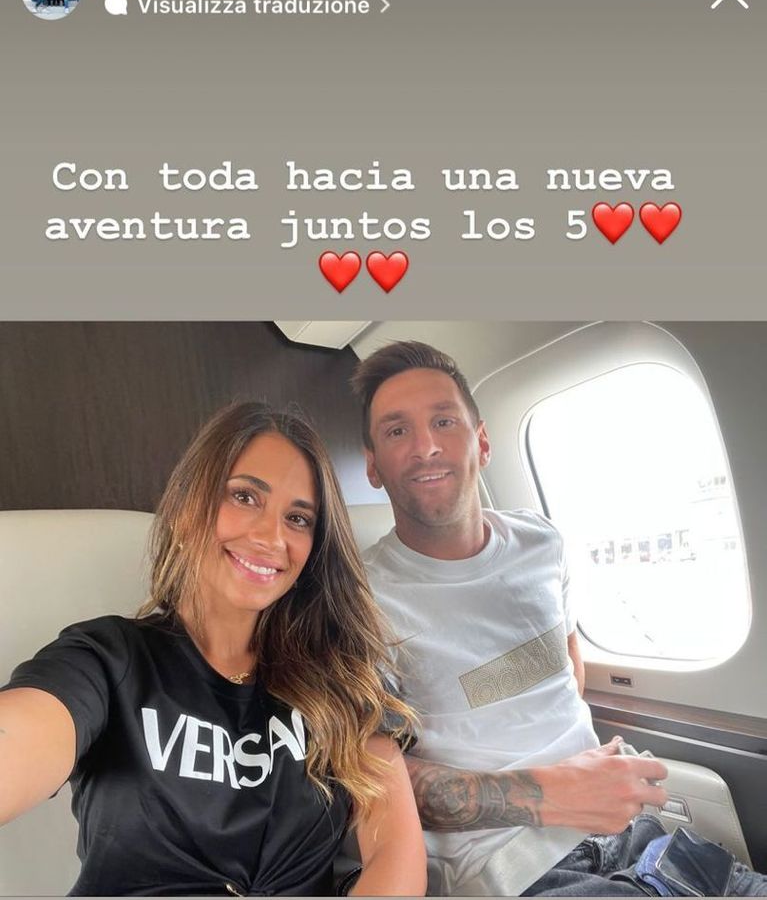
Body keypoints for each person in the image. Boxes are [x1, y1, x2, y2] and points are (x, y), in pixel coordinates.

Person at [351, 341, 767, 897]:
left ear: (482, 441)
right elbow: (380, 783)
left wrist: (593, 787)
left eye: (444, 421)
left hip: (636, 834)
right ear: (373, 466)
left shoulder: (541, 541)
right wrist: (554, 794)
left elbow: (568, 671)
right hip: (517, 871)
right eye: (397, 430)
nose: (425, 446)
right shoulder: (360, 600)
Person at [0, 402, 427, 897]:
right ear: (187, 509)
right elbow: (22, 736)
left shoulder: (340, 677)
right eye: (244, 497)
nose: (271, 537)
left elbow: (395, 851)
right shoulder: (107, 660)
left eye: (297, 518)